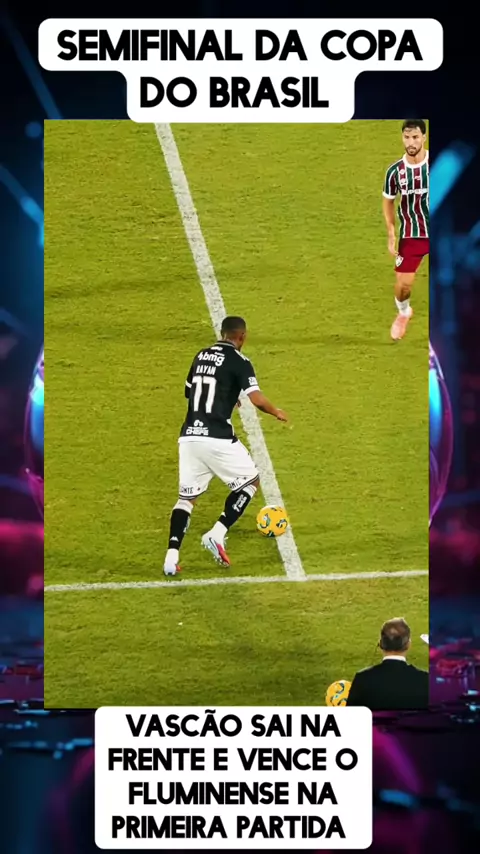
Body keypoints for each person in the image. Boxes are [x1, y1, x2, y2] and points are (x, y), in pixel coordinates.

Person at [163, 316, 287, 576]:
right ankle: (217, 533)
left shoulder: (200, 355)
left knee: (186, 499)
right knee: (250, 482)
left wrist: (227, 395)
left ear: (222, 333)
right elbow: (256, 398)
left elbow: (190, 391)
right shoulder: (239, 361)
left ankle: (171, 558)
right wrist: (276, 411)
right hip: (217, 437)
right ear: (242, 336)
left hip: (189, 437)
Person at [382, 119, 429, 341]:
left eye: (415, 137)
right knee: (403, 285)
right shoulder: (395, 172)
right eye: (407, 137)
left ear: (424, 138)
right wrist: (391, 232)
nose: (411, 142)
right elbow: (388, 201)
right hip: (412, 234)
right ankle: (403, 312)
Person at [346, 617, 429, 710]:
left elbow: (351, 716)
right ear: (408, 645)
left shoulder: (362, 679)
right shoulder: (425, 681)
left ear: (381, 644)